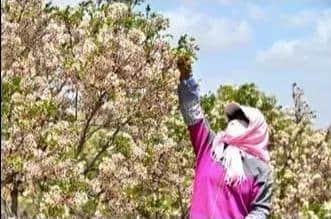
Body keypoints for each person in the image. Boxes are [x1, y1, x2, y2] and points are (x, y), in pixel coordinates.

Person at [177, 56, 273, 219]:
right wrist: (187, 79)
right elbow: (192, 114)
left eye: (242, 119)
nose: (235, 122)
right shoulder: (210, 146)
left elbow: (260, 210)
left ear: (255, 131)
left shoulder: (260, 170)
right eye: (233, 118)